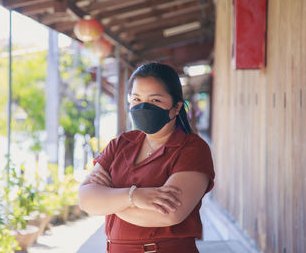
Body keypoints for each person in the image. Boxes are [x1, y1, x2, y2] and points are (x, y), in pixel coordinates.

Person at [78, 62, 215, 253]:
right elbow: (86, 200)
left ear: (176, 107)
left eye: (155, 100)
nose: (143, 106)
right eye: (136, 99)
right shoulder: (120, 144)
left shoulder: (192, 148)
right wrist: (134, 196)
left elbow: (169, 214)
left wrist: (108, 198)